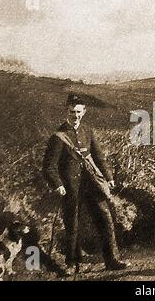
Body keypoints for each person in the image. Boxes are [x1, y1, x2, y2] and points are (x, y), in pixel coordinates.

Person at [43, 94, 129, 274]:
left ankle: (112, 259)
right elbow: (49, 166)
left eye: (78, 112)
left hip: (92, 185)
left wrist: (108, 176)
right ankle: (72, 264)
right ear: (67, 111)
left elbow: (99, 156)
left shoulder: (87, 131)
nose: (75, 115)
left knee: (105, 218)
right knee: (72, 225)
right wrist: (57, 184)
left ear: (84, 112)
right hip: (70, 188)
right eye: (72, 112)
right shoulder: (58, 136)